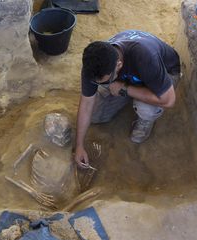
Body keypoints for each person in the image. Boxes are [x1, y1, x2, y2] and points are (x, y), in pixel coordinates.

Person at [74, 30, 181, 168]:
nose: (101, 84)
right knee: (95, 115)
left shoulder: (145, 57)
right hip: (128, 77)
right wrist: (79, 146)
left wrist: (125, 89)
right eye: (99, 82)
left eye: (105, 81)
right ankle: (128, 90)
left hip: (166, 74)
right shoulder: (92, 65)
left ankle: (145, 117)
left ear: (118, 65)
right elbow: (87, 103)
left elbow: (169, 100)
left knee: (146, 109)